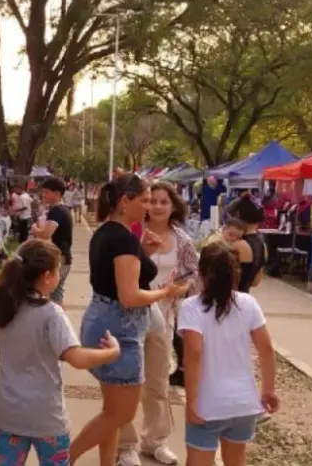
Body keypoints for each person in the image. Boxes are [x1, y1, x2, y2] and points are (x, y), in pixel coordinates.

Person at [70, 174, 189, 465]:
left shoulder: (109, 232)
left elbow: (120, 277)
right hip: (120, 325)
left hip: (105, 320)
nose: (148, 206)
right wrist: (165, 291)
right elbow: (130, 296)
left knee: (112, 411)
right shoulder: (122, 237)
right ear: (125, 202)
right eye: (145, 200)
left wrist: (143, 253)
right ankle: (64, 458)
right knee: (121, 413)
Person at [0, 239, 120, 466]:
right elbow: (77, 358)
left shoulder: (4, 306)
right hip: (45, 416)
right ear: (47, 277)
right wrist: (112, 353)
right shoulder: (51, 314)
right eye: (58, 270)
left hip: (8, 412)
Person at [118, 182, 199, 466]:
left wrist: (181, 288)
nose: (158, 206)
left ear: (173, 205)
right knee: (128, 380)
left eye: (164, 201)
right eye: (152, 201)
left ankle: (155, 441)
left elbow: (192, 276)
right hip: (130, 317)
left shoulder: (183, 240)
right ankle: (125, 444)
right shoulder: (132, 234)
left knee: (158, 381)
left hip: (164, 318)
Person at [178, 242, 278, 466]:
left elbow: (194, 355)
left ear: (200, 273)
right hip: (243, 403)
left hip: (208, 403)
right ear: (234, 273)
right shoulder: (249, 303)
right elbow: (266, 349)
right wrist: (269, 390)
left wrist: (191, 402)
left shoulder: (191, 307)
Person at [32, 177, 73, 304]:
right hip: (64, 257)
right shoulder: (62, 210)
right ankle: (61, 323)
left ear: (57, 193)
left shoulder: (57, 211)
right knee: (57, 296)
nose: (44, 195)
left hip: (59, 258)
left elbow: (46, 234)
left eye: (46, 192)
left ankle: (56, 322)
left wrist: (35, 228)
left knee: (50, 296)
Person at [226, 194, 266, 293]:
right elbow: (255, 282)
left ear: (238, 216)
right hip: (245, 297)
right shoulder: (263, 245)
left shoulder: (237, 245)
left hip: (228, 297)